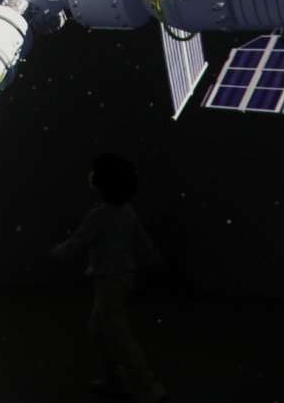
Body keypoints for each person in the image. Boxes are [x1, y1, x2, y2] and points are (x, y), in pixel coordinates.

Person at [49, 153, 168, 403]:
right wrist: (154, 259)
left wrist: (56, 253)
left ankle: (148, 386)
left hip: (110, 281)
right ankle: (116, 380)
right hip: (119, 279)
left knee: (117, 334)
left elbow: (79, 242)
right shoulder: (126, 211)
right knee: (99, 331)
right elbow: (143, 241)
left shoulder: (100, 215)